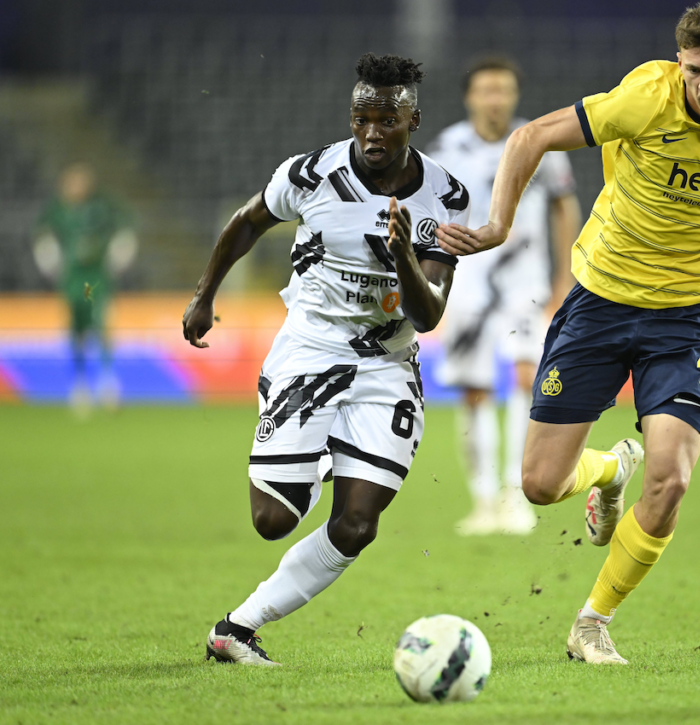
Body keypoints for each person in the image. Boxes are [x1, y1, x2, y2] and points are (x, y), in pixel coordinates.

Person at [437, 0, 700, 664]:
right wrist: (497, 226)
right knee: (540, 485)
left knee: (672, 479)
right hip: (599, 304)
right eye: (695, 70)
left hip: (685, 320)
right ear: (679, 62)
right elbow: (530, 136)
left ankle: (592, 621)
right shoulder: (644, 98)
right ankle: (608, 468)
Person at [181, 53, 469, 665]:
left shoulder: (446, 195)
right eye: (361, 119)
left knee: (358, 524)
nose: (371, 133)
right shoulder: (311, 174)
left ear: (413, 120)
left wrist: (404, 258)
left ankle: (236, 630)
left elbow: (429, 314)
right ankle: (319, 455)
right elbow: (247, 221)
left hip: (387, 363)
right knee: (272, 520)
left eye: (387, 120)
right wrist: (204, 295)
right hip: (311, 350)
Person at [427, 57, 581, 536]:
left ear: (514, 95)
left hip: (525, 282)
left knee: (525, 378)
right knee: (474, 389)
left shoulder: (539, 141)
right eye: (486, 90)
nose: (495, 99)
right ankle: (482, 500)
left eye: (503, 90)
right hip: (466, 282)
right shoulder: (445, 149)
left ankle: (515, 495)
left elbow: (564, 207)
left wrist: (567, 275)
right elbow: (425, 213)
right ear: (469, 97)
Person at [33, 162, 137, 414]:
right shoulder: (57, 210)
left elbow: (126, 229)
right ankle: (79, 385)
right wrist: (51, 263)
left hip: (97, 278)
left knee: (101, 325)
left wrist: (118, 256)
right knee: (75, 330)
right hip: (72, 280)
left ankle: (107, 383)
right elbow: (43, 237)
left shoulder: (102, 205)